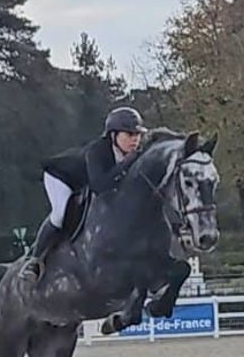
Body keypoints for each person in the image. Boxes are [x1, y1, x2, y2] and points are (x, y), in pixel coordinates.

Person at [20, 106, 148, 282]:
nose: (135, 140)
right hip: (62, 178)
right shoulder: (98, 150)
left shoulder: (132, 155)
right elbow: (100, 186)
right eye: (129, 134)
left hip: (84, 184)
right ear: (113, 135)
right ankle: (33, 261)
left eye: (137, 135)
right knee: (60, 214)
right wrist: (126, 164)